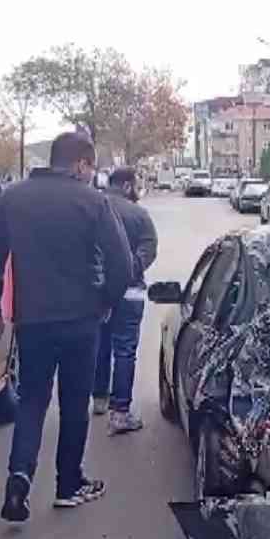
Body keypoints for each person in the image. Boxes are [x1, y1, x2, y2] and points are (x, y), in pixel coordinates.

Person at [0, 131, 133, 524]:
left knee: (32, 399)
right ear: (80, 163)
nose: (91, 173)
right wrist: (105, 301)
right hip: (81, 321)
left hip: (33, 321)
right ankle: (68, 485)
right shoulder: (92, 201)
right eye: (90, 166)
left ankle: (19, 477)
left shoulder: (13, 198)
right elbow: (122, 263)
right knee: (74, 402)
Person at [93, 167, 158, 434]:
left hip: (98, 291)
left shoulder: (94, 208)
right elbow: (150, 248)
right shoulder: (139, 214)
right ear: (128, 186)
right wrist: (132, 268)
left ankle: (99, 397)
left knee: (100, 345)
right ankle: (120, 412)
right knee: (125, 349)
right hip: (130, 292)